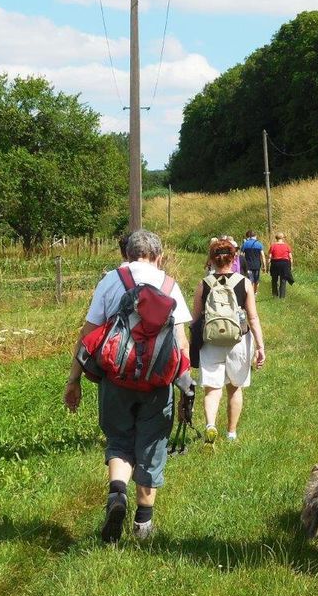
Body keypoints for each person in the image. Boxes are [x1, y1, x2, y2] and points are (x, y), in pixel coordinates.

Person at [64, 230, 192, 543]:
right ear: (158, 256)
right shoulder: (169, 285)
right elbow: (181, 344)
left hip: (115, 379)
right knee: (152, 446)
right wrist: (186, 387)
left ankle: (117, 495)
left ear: (126, 255)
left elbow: (89, 333)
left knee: (120, 439)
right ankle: (143, 527)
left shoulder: (110, 281)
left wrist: (74, 379)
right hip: (157, 382)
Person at [192, 237, 266, 442]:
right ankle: (231, 433)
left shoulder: (203, 284)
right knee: (235, 387)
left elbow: (196, 319)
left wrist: (192, 347)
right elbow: (253, 317)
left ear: (212, 260)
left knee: (212, 389)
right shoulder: (245, 283)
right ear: (234, 258)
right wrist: (260, 346)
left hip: (211, 341)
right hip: (239, 341)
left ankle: (210, 426)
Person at [268, 232, 293, 299]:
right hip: (284, 263)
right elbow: (290, 257)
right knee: (283, 279)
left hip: (275, 263)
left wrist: (268, 265)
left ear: (276, 238)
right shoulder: (287, 246)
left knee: (274, 279)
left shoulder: (273, 246)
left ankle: (275, 294)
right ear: (282, 238)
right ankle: (282, 296)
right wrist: (291, 265)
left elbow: (270, 257)